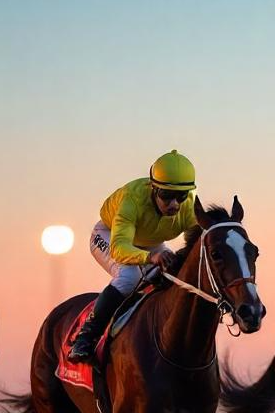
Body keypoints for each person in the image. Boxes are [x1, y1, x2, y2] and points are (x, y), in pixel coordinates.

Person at [67, 149, 200, 363]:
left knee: (172, 275)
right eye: (166, 195)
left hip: (151, 242)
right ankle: (85, 338)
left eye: (181, 196)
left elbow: (197, 247)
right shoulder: (132, 200)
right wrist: (150, 258)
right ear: (153, 188)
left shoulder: (188, 207)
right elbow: (119, 248)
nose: (174, 204)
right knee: (129, 278)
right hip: (111, 236)